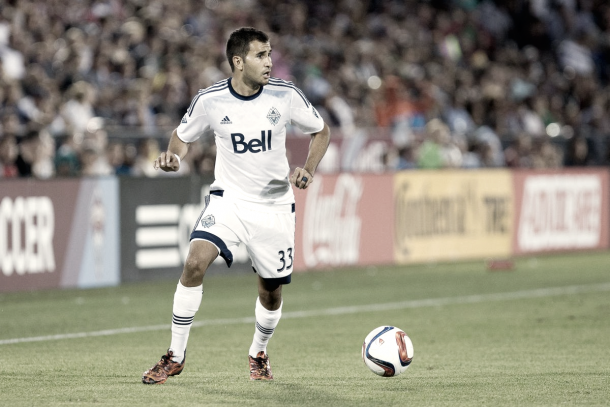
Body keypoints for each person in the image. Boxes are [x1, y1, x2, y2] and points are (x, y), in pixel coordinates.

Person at [142, 27, 330, 384]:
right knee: (195, 262)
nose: (270, 62)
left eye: (270, 54)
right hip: (228, 200)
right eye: (261, 56)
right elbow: (181, 138)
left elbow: (321, 131)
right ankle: (175, 356)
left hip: (274, 206)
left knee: (271, 291)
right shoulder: (210, 100)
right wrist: (173, 157)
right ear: (238, 61)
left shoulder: (285, 95)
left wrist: (308, 168)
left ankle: (259, 351)